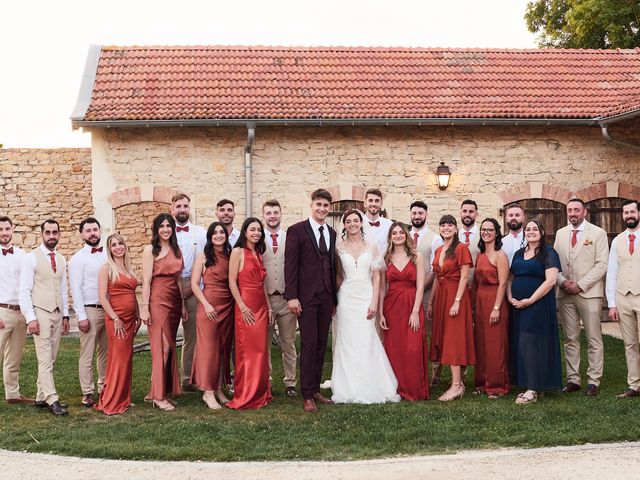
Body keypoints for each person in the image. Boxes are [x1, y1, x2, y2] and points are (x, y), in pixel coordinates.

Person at [330, 210, 399, 403]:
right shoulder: (338, 248)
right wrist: (334, 300)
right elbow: (338, 276)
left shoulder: (372, 247)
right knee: (347, 339)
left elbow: (377, 276)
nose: (352, 224)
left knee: (367, 337)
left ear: (361, 223)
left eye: (355, 221)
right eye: (348, 221)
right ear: (344, 225)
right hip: (346, 297)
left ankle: (372, 382)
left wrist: (374, 301)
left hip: (366, 295)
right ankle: (347, 385)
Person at [284, 188, 338, 412]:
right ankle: (307, 394)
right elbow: (290, 266)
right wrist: (292, 296)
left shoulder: (332, 232)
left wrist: (334, 297)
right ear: (311, 205)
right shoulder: (296, 230)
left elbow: (332, 265)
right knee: (308, 343)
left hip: (326, 296)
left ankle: (315, 388)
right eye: (319, 204)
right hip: (305, 298)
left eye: (326, 205)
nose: (322, 209)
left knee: (321, 344)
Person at [554, 198, 608, 396]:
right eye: (570, 210)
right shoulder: (560, 234)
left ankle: (594, 380)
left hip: (589, 293)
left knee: (593, 338)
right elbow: (554, 263)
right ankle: (573, 379)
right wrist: (561, 282)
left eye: (577, 210)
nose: (573, 213)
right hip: (565, 293)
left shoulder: (598, 233)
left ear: (584, 212)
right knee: (570, 338)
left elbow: (602, 264)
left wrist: (581, 285)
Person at [508, 220, 562, 404]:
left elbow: (550, 281)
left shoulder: (548, 253)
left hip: (537, 304)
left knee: (529, 343)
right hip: (517, 305)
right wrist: (509, 296)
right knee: (523, 344)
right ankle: (537, 386)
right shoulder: (518, 253)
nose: (531, 232)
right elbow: (510, 278)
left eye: (534, 229)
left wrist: (530, 300)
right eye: (528, 229)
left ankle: (532, 389)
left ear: (542, 231)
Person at [19, 219, 70, 416]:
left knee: (52, 356)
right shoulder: (31, 258)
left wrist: (66, 315)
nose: (51, 236)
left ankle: (40, 395)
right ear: (42, 234)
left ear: (59, 234)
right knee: (44, 357)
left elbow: (63, 290)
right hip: (40, 311)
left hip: (57, 312)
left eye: (55, 232)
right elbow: (24, 290)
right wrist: (30, 318)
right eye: (47, 232)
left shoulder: (61, 259)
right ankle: (52, 399)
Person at [140, 213, 186, 411]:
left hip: (175, 301)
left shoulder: (176, 250)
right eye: (162, 226)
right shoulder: (150, 250)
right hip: (157, 301)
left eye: (169, 226)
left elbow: (178, 280)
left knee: (169, 348)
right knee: (163, 347)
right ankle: (158, 396)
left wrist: (183, 304)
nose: (166, 229)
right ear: (156, 229)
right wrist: (144, 307)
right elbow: (147, 281)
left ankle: (157, 391)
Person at [379, 221, 429, 401]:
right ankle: (396, 387)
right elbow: (383, 288)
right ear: (390, 237)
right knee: (394, 348)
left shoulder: (416, 256)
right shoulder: (385, 257)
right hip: (391, 306)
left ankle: (414, 387)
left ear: (406, 235)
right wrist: (381, 312)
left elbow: (420, 286)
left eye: (401, 232)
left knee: (413, 347)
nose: (398, 235)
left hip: (411, 303)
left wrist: (415, 311)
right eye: (394, 233)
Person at [227, 217, 273, 410]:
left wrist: (269, 307)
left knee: (261, 350)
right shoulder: (238, 252)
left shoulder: (258, 252)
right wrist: (243, 307)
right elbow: (231, 282)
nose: (256, 233)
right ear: (244, 232)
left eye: (258, 230)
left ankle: (260, 391)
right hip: (246, 305)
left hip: (261, 306)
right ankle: (247, 392)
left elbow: (262, 284)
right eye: (252, 229)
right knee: (247, 351)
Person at [427, 215, 475, 402]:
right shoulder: (439, 250)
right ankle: (458, 383)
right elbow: (438, 279)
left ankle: (456, 385)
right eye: (442, 225)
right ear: (439, 229)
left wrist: (457, 301)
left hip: (456, 296)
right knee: (445, 337)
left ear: (456, 229)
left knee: (453, 339)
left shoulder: (461, 248)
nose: (446, 228)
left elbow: (464, 277)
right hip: (441, 297)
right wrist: (431, 302)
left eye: (450, 225)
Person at [94, 233, 140, 415]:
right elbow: (103, 297)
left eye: (120, 243)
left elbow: (132, 294)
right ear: (110, 249)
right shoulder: (106, 268)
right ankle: (112, 400)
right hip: (116, 320)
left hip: (130, 320)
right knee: (119, 359)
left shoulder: (129, 268)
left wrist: (137, 314)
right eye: (114, 245)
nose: (118, 247)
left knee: (126, 359)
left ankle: (123, 397)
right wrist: (115, 318)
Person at [190, 222, 234, 409]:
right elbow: (194, 284)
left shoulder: (231, 256)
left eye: (221, 232)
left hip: (228, 305)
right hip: (209, 306)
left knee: (223, 349)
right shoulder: (203, 256)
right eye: (214, 233)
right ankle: (208, 392)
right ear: (210, 236)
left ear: (226, 235)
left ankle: (218, 388)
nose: (218, 235)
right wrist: (206, 304)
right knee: (209, 349)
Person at [69, 217, 108, 407]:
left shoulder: (109, 254)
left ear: (100, 231)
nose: (92, 233)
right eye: (88, 230)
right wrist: (81, 316)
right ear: (82, 235)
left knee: (106, 352)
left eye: (95, 229)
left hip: (108, 310)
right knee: (87, 353)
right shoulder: (77, 259)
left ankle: (105, 387)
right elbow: (75, 289)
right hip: (90, 310)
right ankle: (87, 391)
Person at [171, 193, 207, 392]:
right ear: (172, 209)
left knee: (192, 335)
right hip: (169, 285)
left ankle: (187, 378)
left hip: (193, 284)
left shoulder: (200, 232)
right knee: (166, 336)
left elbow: (204, 260)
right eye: (178, 206)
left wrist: (195, 286)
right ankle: (166, 381)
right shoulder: (166, 231)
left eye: (185, 206)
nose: (182, 209)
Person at [262, 199, 298, 397]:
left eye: (276, 212)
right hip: (264, 299)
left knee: (288, 342)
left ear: (281, 214)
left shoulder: (290, 237)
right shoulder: (257, 239)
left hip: (286, 298)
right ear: (264, 216)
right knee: (264, 344)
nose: (272, 216)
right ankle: (266, 380)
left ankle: (290, 382)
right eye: (269, 213)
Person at [472, 218, 510, 398]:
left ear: (496, 232)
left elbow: (503, 283)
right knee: (481, 343)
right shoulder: (479, 255)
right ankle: (482, 382)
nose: (486, 232)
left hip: (495, 299)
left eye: (490, 229)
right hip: (480, 300)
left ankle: (497, 386)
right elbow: (475, 282)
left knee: (495, 344)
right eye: (483, 229)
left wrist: (496, 307)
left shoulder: (500, 255)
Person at [606, 199, 640, 398]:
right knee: (629, 344)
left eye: (632, 212)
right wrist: (611, 303)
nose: (629, 215)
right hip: (623, 296)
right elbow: (612, 272)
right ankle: (634, 385)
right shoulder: (618, 240)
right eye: (625, 212)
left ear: (638, 214)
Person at [409, 200, 443, 384]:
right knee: (412, 331)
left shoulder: (435, 238)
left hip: (428, 291)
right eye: (414, 213)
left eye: (420, 213)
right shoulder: (404, 235)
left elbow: (435, 268)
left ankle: (436, 372)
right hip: (407, 293)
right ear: (410, 215)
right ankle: (414, 368)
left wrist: (421, 288)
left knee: (431, 331)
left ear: (426, 215)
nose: (417, 216)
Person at [0, 216, 33, 405]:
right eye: (0, 229)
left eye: (7, 228)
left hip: (20, 312)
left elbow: (28, 284)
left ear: (13, 229)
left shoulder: (22, 255)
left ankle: (12, 394)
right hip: (1, 311)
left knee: (14, 356)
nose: (4, 232)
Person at [362, 188, 393, 254]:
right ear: (365, 203)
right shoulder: (357, 224)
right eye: (370, 200)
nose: (373, 204)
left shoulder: (389, 225)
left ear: (381, 204)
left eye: (377, 201)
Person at [459, 199, 480, 284]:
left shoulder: (483, 236)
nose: (467, 214)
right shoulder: (454, 236)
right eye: (464, 211)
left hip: (477, 284)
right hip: (457, 285)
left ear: (476, 214)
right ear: (460, 213)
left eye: (471, 212)